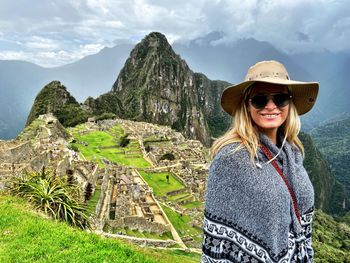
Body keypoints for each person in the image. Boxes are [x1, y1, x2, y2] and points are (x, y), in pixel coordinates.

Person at [201, 60, 319, 263]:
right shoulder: (231, 160)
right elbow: (216, 246)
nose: (271, 106)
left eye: (280, 99)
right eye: (259, 100)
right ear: (246, 106)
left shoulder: (292, 155)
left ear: (289, 104)